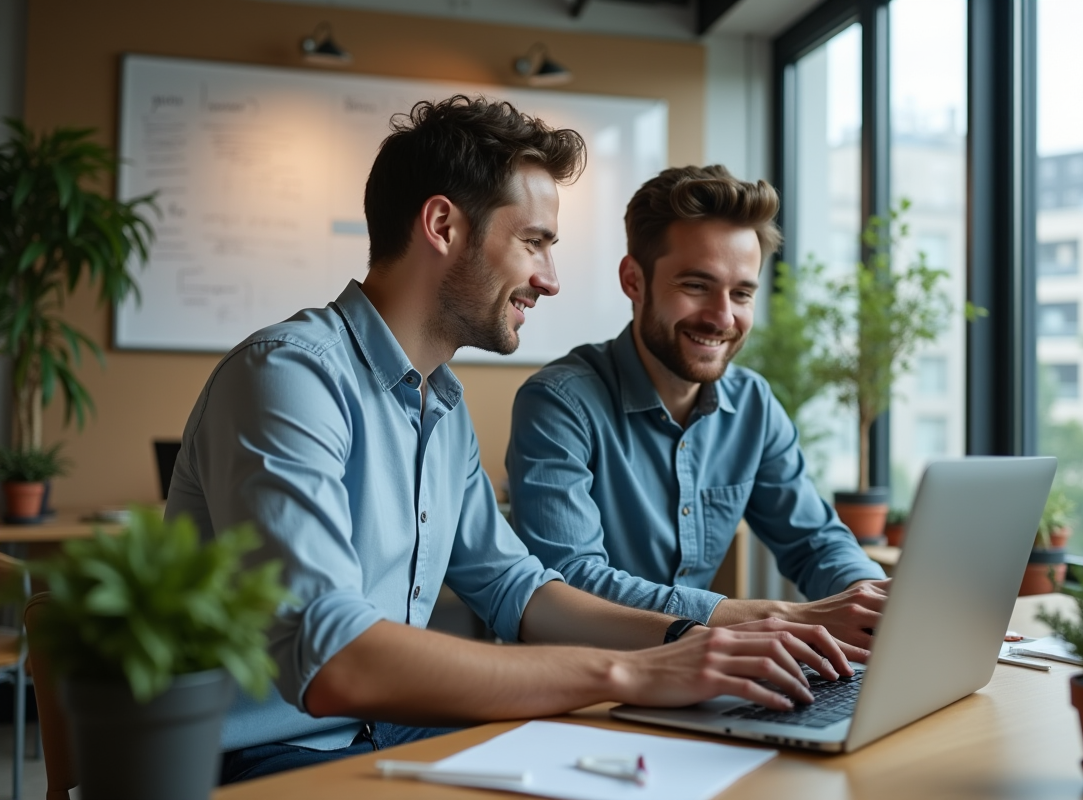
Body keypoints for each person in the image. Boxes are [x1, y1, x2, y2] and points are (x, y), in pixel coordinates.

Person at [165, 99, 867, 785]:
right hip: (264, 758)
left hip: (391, 730)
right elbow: (336, 659)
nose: (551, 280)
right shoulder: (288, 376)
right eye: (533, 242)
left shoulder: (438, 404)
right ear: (443, 225)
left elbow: (518, 590)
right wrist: (635, 670)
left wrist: (692, 643)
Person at [505, 164, 890, 650]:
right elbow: (571, 580)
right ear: (634, 281)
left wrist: (873, 599)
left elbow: (814, 541)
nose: (723, 317)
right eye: (696, 286)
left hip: (698, 680)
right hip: (582, 688)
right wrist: (781, 616)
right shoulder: (560, 403)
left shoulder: (753, 404)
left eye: (742, 293)